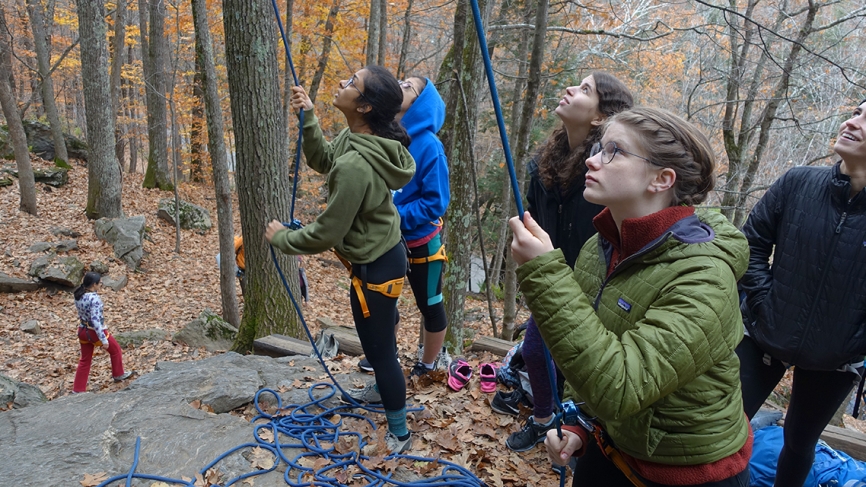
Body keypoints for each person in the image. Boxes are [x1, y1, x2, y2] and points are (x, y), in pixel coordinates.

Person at [509, 107, 752, 486]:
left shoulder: (705, 276)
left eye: (613, 151)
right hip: (611, 447)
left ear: (661, 179)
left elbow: (619, 387)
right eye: (597, 148)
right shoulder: (601, 245)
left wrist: (543, 273)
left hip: (683, 474)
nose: (591, 159)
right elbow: (593, 342)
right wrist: (579, 423)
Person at [265, 65, 416, 453]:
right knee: (381, 345)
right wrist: (310, 117)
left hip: (377, 269)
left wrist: (283, 238)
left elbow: (328, 231)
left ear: (364, 106)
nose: (342, 83)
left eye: (352, 83)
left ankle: (399, 433)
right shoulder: (362, 141)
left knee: (380, 352)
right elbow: (324, 159)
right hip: (382, 257)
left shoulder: (357, 164)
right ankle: (387, 396)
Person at [491, 71, 634, 453]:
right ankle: (545, 421)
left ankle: (575, 426)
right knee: (537, 351)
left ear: (601, 116)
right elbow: (535, 216)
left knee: (579, 361)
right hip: (555, 275)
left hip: (597, 280)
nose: (570, 88)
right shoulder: (544, 164)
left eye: (585, 89)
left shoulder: (607, 170)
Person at [736, 98, 866, 486]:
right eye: (858, 111)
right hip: (764, 335)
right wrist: (762, 302)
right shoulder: (798, 182)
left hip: (836, 359)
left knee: (799, 442)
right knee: (724, 426)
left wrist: (857, 340)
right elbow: (751, 243)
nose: (853, 121)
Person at [72, 272, 133, 393]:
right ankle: (118, 374)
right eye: (100, 283)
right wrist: (103, 339)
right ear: (94, 284)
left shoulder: (78, 295)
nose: (101, 284)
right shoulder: (94, 299)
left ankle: (78, 389)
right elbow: (95, 321)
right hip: (95, 332)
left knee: (84, 360)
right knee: (115, 350)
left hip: (82, 330)